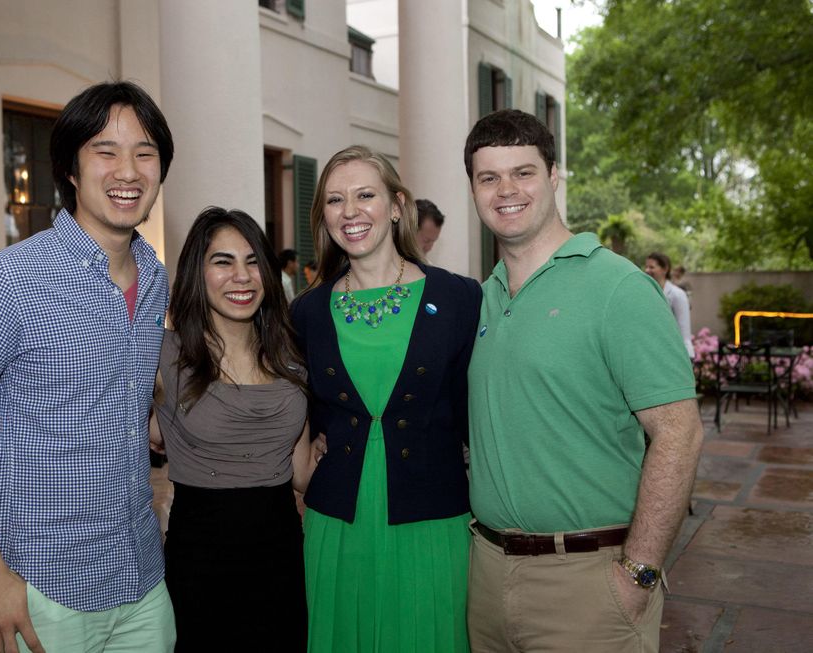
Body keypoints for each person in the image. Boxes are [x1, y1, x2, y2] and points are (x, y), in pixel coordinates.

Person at [0, 81, 177, 653]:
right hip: (39, 585)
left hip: (140, 572)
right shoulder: (7, 282)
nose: (127, 170)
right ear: (71, 170)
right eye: (105, 151)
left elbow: (123, 400)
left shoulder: (154, 277)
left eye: (145, 152)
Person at [463, 109, 703, 652]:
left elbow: (679, 434)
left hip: (589, 585)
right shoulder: (481, 298)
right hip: (485, 576)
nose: (506, 190)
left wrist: (639, 573)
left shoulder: (617, 287)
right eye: (488, 177)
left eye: (523, 172)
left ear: (553, 176)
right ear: (473, 190)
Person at [291, 145, 481, 652]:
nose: (349, 211)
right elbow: (294, 409)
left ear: (397, 206)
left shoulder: (462, 298)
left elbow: (477, 413)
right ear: (323, 216)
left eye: (364, 195)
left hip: (433, 522)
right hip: (338, 525)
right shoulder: (306, 312)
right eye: (334, 200)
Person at [153, 207, 318, 652]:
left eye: (251, 262)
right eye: (222, 262)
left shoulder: (291, 356)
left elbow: (301, 471)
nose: (241, 277)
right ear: (196, 272)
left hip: (281, 560)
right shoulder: (161, 355)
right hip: (199, 564)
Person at [645, 252, 695, 358]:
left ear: (665, 269)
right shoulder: (646, 293)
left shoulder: (677, 295)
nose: (647, 270)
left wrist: (687, 357)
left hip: (674, 355)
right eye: (646, 267)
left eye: (651, 267)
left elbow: (684, 330)